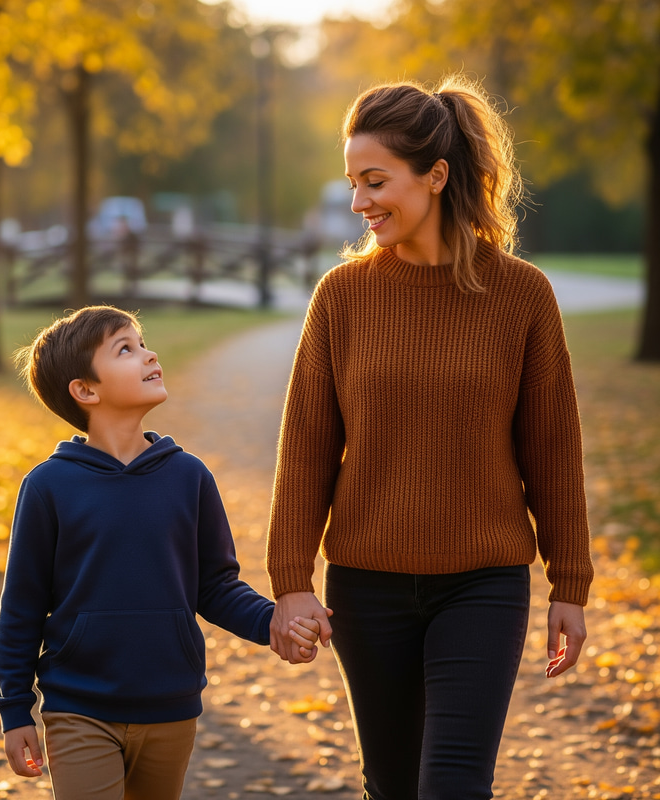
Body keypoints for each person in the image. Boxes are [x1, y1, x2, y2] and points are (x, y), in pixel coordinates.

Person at [265, 74, 595, 799]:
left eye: (375, 180)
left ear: (436, 175)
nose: (359, 202)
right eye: (353, 182)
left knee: (451, 782)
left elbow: (553, 450)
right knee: (390, 783)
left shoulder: (523, 296)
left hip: (483, 582)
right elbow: (308, 449)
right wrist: (291, 581)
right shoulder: (341, 298)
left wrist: (570, 578)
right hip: (367, 586)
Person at [0, 305, 321, 800]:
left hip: (171, 706)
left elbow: (214, 586)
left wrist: (271, 623)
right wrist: (15, 708)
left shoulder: (189, 477)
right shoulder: (48, 487)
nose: (149, 355)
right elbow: (22, 605)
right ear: (86, 390)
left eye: (142, 343)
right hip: (79, 706)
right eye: (126, 349)